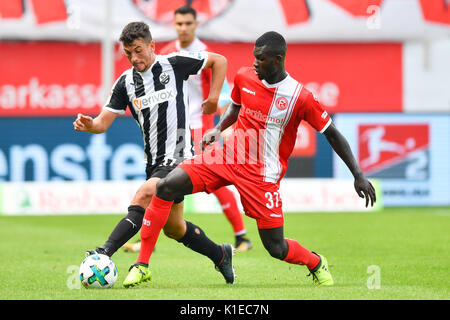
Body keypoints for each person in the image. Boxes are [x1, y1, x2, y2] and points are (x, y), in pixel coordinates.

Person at [123, 31, 376, 287]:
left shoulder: (301, 97)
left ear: (277, 59)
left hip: (261, 174)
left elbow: (333, 134)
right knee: (166, 187)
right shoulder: (245, 76)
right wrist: (218, 129)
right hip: (230, 156)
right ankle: (142, 265)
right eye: (254, 57)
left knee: (276, 247)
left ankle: (315, 262)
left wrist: (358, 175)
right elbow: (236, 105)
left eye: (261, 59)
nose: (255, 63)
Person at [73, 21, 236, 287]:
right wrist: (90, 125)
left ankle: (104, 252)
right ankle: (221, 255)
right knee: (174, 228)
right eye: (128, 54)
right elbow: (102, 123)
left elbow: (219, 61)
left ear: (151, 46)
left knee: (145, 193)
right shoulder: (125, 83)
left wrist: (214, 97)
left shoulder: (174, 63)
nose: (134, 58)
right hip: (154, 162)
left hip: (181, 156)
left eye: (138, 50)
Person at [122, 5, 252, 253]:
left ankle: (242, 236)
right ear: (174, 25)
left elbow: (222, 95)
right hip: (173, 130)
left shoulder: (204, 55)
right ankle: (149, 240)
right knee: (162, 185)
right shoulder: (167, 53)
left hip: (200, 128)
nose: (183, 28)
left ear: (195, 24)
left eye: (187, 24)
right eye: (179, 24)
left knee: (214, 184)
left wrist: (224, 124)